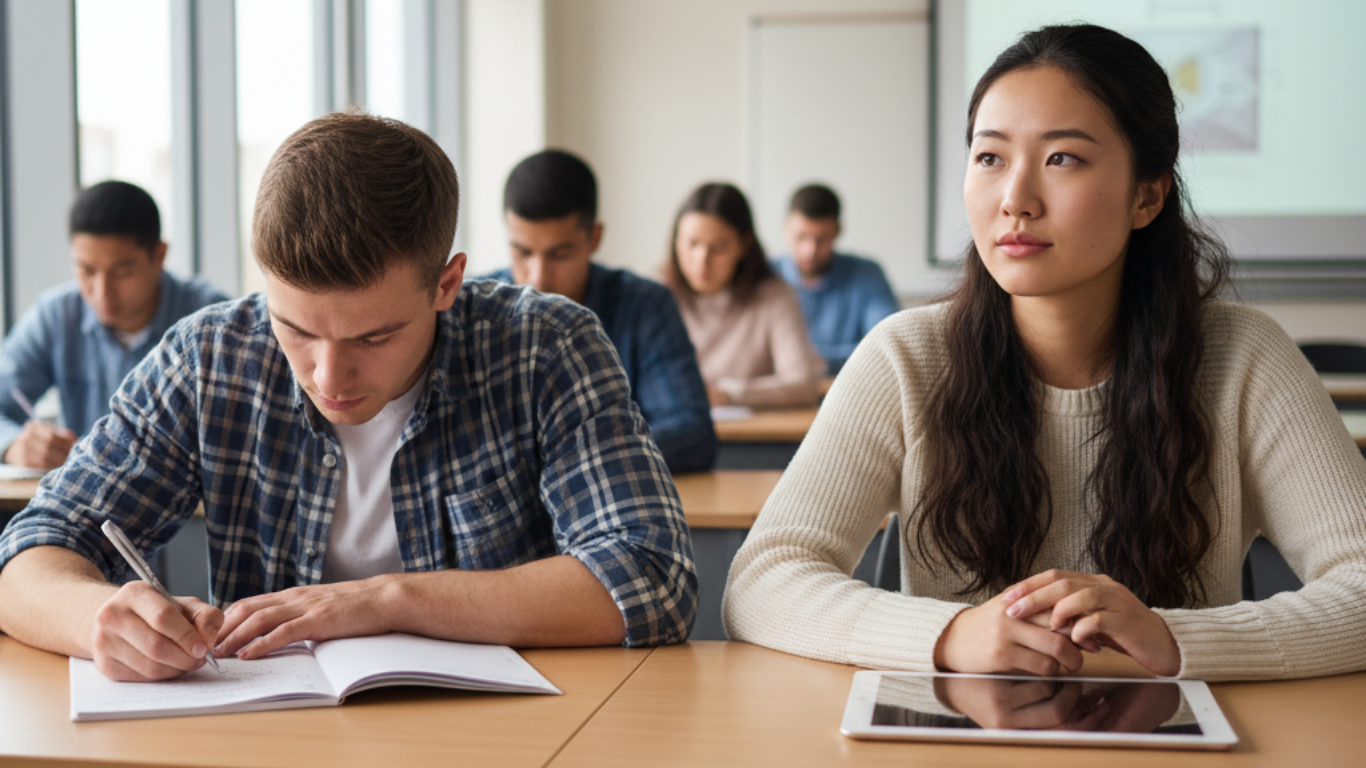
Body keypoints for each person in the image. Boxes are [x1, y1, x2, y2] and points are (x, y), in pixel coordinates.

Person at [723, 24, 1366, 682]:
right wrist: (948, 635)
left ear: (1148, 194)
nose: (1015, 201)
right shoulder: (905, 357)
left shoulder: (1242, 358)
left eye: (1062, 159)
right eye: (990, 158)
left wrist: (1173, 638)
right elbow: (762, 582)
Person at [0, 112, 696, 682]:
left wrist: (382, 601)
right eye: (297, 330)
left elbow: (651, 575)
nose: (329, 378)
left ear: (447, 284)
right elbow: (30, 552)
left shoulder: (547, 345)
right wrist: (102, 618)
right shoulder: (209, 355)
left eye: (374, 337)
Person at [487, 149, 716, 473]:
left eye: (559, 254)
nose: (538, 276)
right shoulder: (475, 309)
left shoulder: (645, 306)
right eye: (522, 252)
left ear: (594, 238)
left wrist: (564, 460)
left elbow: (692, 434)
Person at [0, 181, 228, 469]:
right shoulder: (56, 315)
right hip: (87, 507)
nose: (101, 292)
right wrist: (12, 446)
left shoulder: (211, 321)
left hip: (186, 508)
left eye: (121, 272)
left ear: (158, 256)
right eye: (86, 270)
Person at [663, 182, 825, 409]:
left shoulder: (775, 297)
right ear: (676, 241)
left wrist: (727, 394)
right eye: (692, 244)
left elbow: (804, 385)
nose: (701, 260)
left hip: (749, 439)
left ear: (744, 244)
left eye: (718, 248)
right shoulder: (656, 295)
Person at [774, 184, 900, 374]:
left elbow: (887, 344)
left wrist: (819, 361)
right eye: (801, 237)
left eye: (821, 239)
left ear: (838, 231)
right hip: (780, 398)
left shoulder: (867, 275)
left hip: (850, 393)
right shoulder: (765, 277)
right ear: (786, 228)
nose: (810, 250)